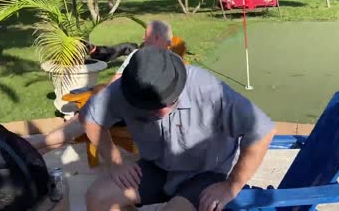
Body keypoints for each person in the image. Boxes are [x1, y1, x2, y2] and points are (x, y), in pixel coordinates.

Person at [81, 46, 275, 211]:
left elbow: (262, 131)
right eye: (152, 106)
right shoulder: (128, 88)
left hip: (207, 172)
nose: (162, 111)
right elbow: (89, 118)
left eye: (168, 100)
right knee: (97, 196)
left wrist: (231, 186)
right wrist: (115, 161)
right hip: (158, 166)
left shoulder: (208, 89)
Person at [27, 20, 174, 154]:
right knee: (82, 117)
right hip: (118, 103)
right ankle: (35, 148)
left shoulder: (169, 63)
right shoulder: (137, 54)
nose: (142, 39)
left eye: (146, 36)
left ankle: (33, 146)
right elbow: (115, 81)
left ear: (158, 38)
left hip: (135, 112)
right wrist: (101, 99)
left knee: (84, 119)